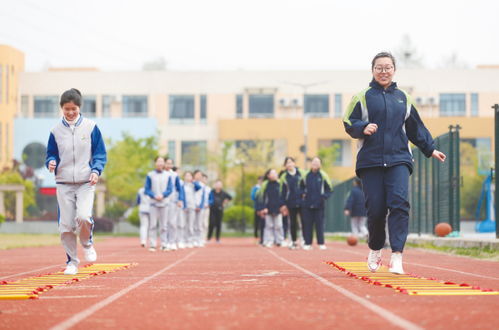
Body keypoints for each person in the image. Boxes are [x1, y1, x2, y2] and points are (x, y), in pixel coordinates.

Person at [343, 51, 446, 274]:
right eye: (379, 67)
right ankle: (375, 249)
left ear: (394, 70)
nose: (384, 71)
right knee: (376, 210)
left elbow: (415, 128)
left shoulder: (404, 98)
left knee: (399, 204)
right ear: (373, 70)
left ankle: (397, 256)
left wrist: (431, 148)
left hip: (399, 158)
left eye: (388, 67)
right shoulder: (362, 97)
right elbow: (348, 121)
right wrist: (362, 127)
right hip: (370, 161)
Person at [45, 88, 107, 275]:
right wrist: (51, 162)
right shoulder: (55, 131)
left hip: (85, 182)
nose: (70, 113)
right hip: (63, 183)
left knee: (83, 217)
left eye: (74, 109)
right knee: (66, 226)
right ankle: (72, 261)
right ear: (61, 109)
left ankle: (87, 243)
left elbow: (99, 153)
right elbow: (51, 153)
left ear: (79, 107)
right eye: (66, 109)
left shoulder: (91, 127)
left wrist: (96, 170)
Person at [300, 157, 332, 251]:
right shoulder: (305, 175)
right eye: (313, 162)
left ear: (320, 164)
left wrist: (323, 197)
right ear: (311, 163)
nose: (315, 163)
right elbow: (300, 187)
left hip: (319, 205)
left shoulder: (323, 175)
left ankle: (321, 243)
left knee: (319, 225)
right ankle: (307, 243)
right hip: (307, 204)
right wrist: (302, 194)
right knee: (307, 224)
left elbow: (329, 189)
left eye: (317, 162)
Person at [144, 156, 173, 252]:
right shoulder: (150, 175)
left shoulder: (168, 175)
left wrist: (163, 195)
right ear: (155, 163)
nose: (160, 163)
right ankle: (152, 245)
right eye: (158, 161)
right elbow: (147, 189)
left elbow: (170, 189)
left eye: (162, 162)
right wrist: (154, 195)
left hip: (164, 203)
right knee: (152, 225)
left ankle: (164, 244)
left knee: (164, 225)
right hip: (153, 203)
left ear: (164, 164)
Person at [279, 157, 306, 250]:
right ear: (285, 165)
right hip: (290, 202)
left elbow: (306, 186)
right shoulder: (284, 177)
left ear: (294, 163)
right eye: (287, 163)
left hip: (302, 202)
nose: (289, 164)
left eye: (291, 162)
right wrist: (282, 204)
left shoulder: (302, 173)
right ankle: (293, 241)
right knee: (292, 223)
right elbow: (282, 192)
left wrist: (304, 194)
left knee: (303, 222)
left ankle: (304, 241)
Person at [257, 169, 285, 248]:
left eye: (275, 173)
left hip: (278, 208)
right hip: (268, 209)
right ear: (268, 175)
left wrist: (283, 206)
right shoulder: (265, 185)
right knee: (269, 225)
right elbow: (261, 197)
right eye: (272, 173)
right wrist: (263, 208)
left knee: (279, 225)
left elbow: (282, 196)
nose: (275, 175)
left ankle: (280, 240)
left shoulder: (280, 184)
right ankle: (268, 241)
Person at [164, 158, 183, 251]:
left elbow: (179, 188)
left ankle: (172, 242)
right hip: (162, 201)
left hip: (172, 201)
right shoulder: (160, 174)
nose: (168, 165)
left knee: (172, 222)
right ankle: (165, 242)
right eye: (167, 163)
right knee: (164, 223)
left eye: (170, 163)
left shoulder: (175, 175)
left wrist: (180, 199)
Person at [180, 171, 200, 248]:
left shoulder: (193, 185)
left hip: (192, 207)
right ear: (184, 177)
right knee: (183, 224)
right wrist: (184, 206)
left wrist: (193, 181)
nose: (188, 177)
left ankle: (190, 240)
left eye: (189, 176)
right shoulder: (182, 185)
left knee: (191, 225)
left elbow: (199, 187)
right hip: (184, 207)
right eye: (186, 176)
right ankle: (183, 240)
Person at [250, 176, 264, 244]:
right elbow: (253, 197)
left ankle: (263, 238)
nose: (261, 182)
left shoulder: (265, 187)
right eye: (260, 180)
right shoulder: (255, 188)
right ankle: (256, 237)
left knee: (263, 224)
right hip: (257, 208)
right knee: (256, 223)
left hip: (264, 208)